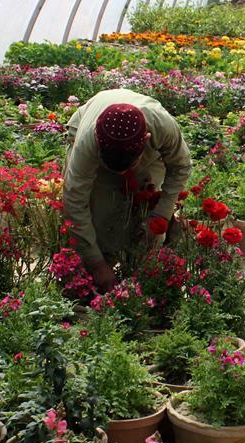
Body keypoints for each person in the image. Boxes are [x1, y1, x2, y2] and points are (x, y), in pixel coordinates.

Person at [63, 89, 191, 292]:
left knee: (144, 203)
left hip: (144, 147)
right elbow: (74, 201)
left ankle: (139, 266)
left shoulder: (162, 126)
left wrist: (160, 216)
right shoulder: (87, 143)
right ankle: (103, 264)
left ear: (146, 140)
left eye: (129, 165)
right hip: (91, 126)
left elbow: (181, 167)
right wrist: (97, 265)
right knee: (101, 211)